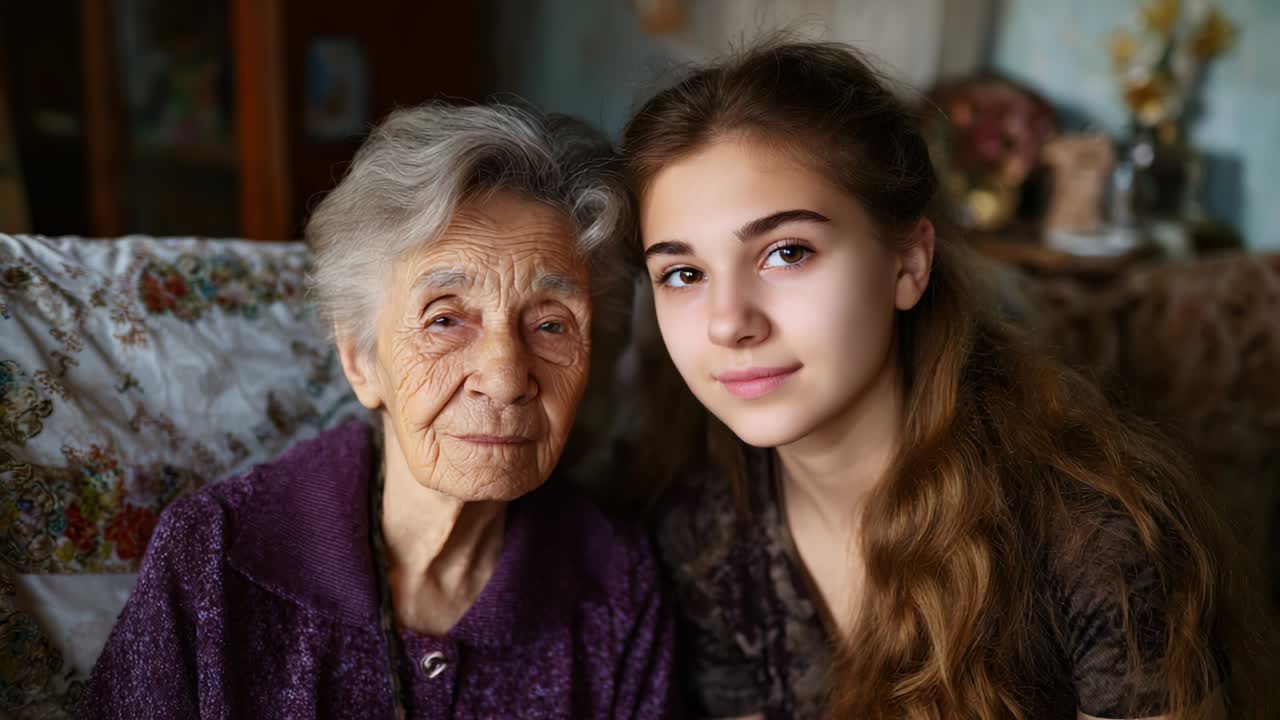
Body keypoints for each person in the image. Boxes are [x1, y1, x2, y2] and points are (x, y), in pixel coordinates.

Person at [620, 41, 1272, 719]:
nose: (730, 323)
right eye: (683, 274)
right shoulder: (703, 537)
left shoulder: (1092, 534)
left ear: (908, 265)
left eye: (787, 252)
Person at [82, 102, 674, 719]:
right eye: (445, 319)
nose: (503, 379)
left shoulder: (617, 586)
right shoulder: (211, 557)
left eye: (552, 325)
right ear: (361, 359)